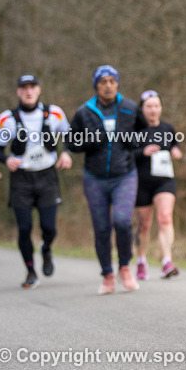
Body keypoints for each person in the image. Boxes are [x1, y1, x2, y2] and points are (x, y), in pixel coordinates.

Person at [67, 65, 143, 294]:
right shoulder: (84, 112)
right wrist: (90, 141)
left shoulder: (130, 107)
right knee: (101, 228)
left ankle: (124, 267)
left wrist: (133, 142)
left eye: (112, 81)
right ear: (96, 86)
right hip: (95, 178)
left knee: (122, 221)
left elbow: (145, 134)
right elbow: (71, 143)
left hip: (125, 175)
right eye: (103, 82)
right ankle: (107, 275)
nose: (108, 86)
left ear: (117, 83)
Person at [0, 75, 72, 288]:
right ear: (18, 91)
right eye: (24, 87)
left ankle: (46, 249)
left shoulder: (54, 113)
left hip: (47, 176)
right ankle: (30, 270)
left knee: (49, 227)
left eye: (32, 87)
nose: (28, 91)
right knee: (24, 227)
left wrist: (66, 154)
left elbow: (70, 137)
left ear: (39, 89)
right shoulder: (7, 118)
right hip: (21, 178)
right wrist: (6, 160)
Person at [133, 90, 182, 280]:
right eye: (149, 106)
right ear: (142, 109)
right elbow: (126, 155)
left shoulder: (168, 128)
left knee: (165, 218)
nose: (153, 110)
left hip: (164, 180)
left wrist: (176, 150)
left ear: (161, 108)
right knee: (144, 225)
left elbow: (174, 145)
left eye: (156, 106)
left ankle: (167, 261)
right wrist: (142, 152)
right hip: (142, 182)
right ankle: (141, 260)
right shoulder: (135, 131)